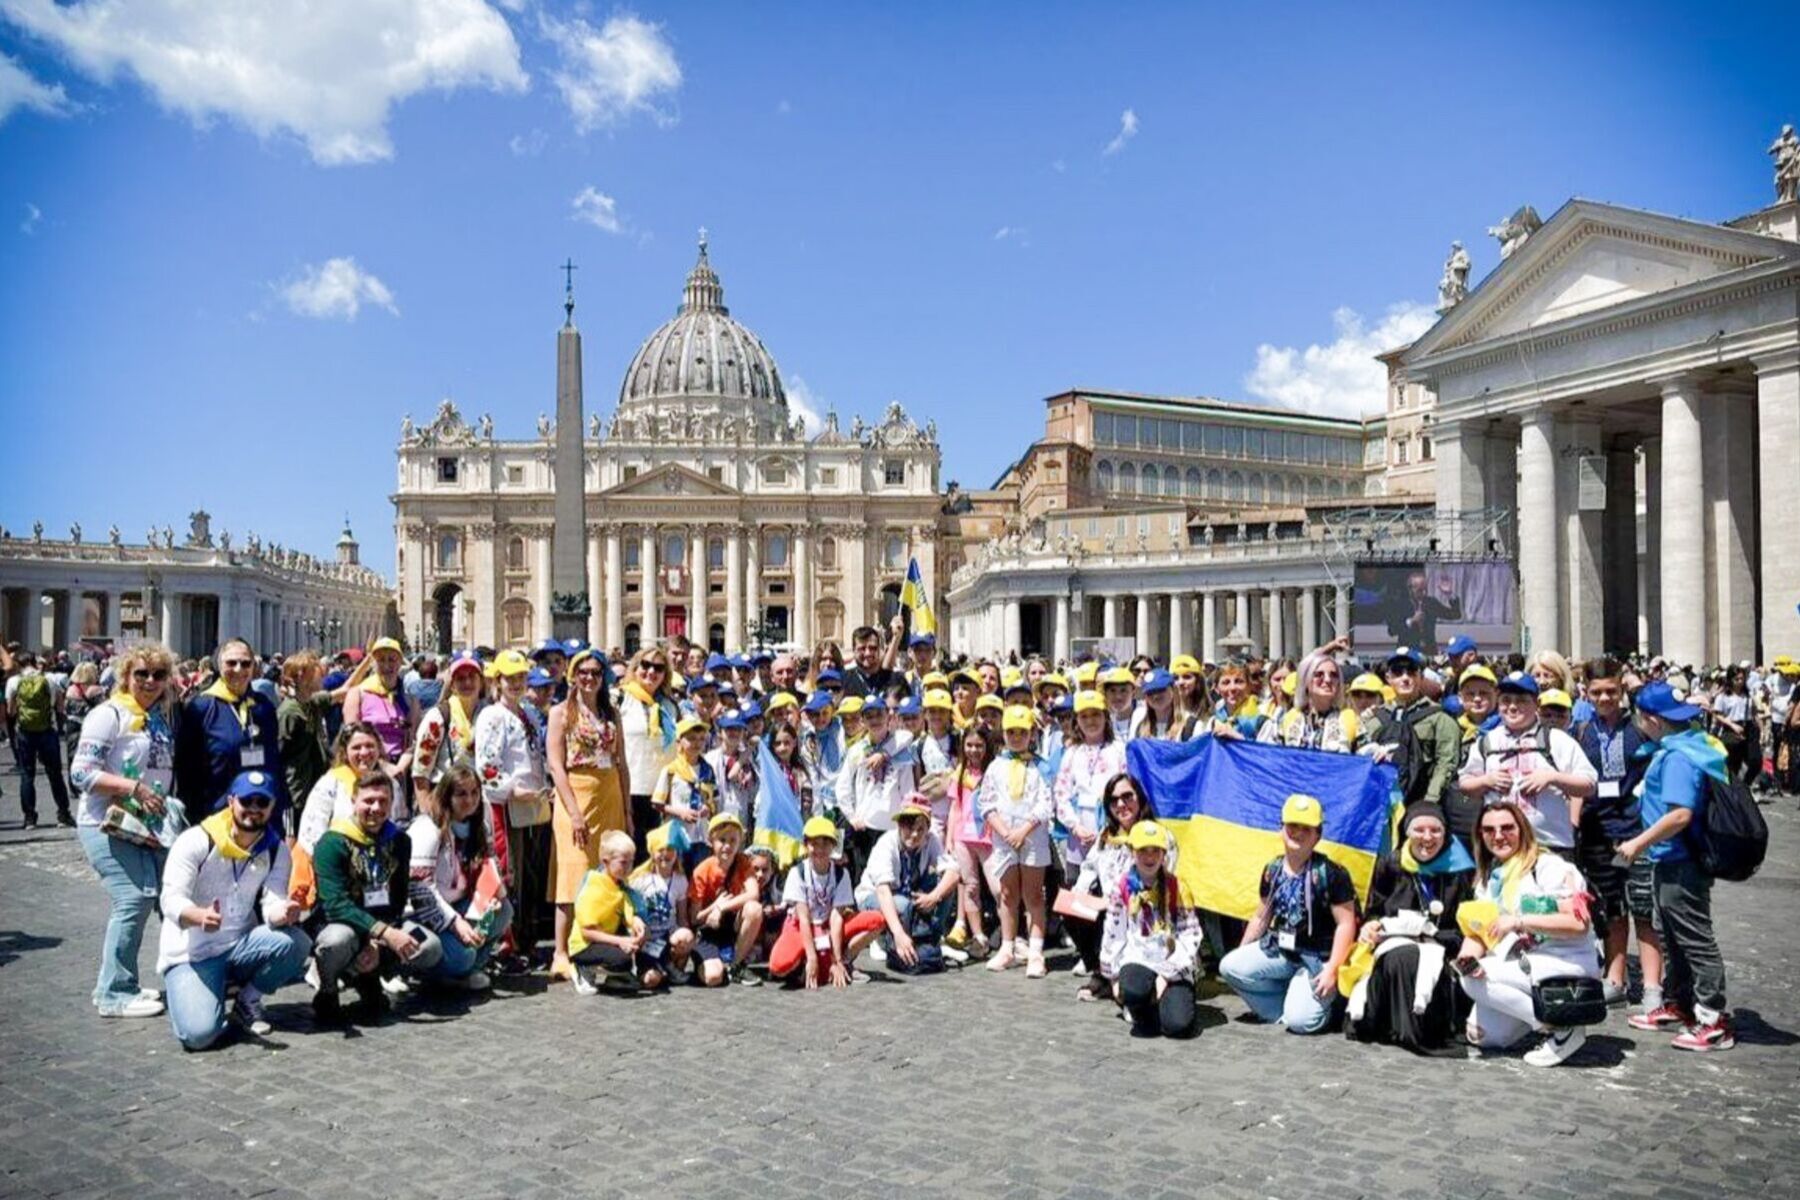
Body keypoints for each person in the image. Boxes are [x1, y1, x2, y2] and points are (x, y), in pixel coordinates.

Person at [1619, 682, 1735, 1051]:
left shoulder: (1678, 758)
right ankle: (1681, 1004)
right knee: (1671, 935)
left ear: (1650, 719)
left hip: (1680, 858)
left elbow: (1680, 814)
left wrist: (1638, 843)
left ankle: (1713, 1018)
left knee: (1694, 939)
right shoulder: (1686, 745)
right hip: (1670, 856)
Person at [69, 641, 181, 1018]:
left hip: (147, 826)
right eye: (141, 674)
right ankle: (113, 993)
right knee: (132, 899)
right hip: (106, 823)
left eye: (158, 674)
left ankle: (123, 980)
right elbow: (80, 773)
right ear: (125, 676)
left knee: (159, 897)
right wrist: (132, 787)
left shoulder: (157, 717)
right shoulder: (108, 715)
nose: (150, 681)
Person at [158, 769, 311, 1048]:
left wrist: (284, 911)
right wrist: (198, 915)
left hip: (240, 943)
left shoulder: (276, 849)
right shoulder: (196, 840)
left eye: (262, 803)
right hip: (193, 952)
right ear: (231, 802)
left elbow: (272, 903)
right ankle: (198, 989)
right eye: (246, 801)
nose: (253, 809)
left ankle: (246, 1000)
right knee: (199, 1036)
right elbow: (169, 899)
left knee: (298, 942)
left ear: (272, 807)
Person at [1456, 798, 1602, 1066]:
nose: (1498, 836)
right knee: (1482, 1036)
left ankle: (1558, 1027)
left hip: (1564, 960)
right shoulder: (1489, 878)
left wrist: (1520, 921)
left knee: (1474, 982)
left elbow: (1578, 925)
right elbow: (1478, 932)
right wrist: (1466, 960)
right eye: (1489, 830)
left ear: (1522, 829)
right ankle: (1547, 1014)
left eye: (1507, 827)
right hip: (1521, 964)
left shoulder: (1548, 867)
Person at [1219, 794, 1357, 1035]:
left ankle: (1324, 1003)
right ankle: (1288, 1003)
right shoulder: (1272, 869)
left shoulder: (1333, 874)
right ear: (1281, 829)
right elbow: (1262, 915)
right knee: (1230, 966)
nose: (1298, 833)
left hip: (1317, 956)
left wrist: (1332, 970)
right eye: (1292, 826)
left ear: (1318, 835)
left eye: (1307, 828)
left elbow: (1346, 925)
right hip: (1280, 950)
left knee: (1302, 1024)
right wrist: (1243, 949)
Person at [310, 769, 440, 1022]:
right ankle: (328, 987)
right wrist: (382, 933)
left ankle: (371, 974)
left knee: (429, 946)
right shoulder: (331, 843)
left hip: (383, 926)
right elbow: (335, 905)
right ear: (354, 802)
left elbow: (399, 898)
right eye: (368, 801)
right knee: (334, 942)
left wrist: (380, 944)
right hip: (342, 924)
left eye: (383, 801)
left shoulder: (400, 841)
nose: (375, 808)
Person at [1345, 802, 1476, 1053]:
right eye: (1419, 830)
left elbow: (1466, 922)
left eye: (1435, 831)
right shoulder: (1391, 864)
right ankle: (1397, 1028)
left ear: (1445, 833)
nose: (1427, 838)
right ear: (1407, 832)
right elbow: (1375, 909)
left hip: (1442, 942)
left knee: (1425, 962)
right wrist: (1370, 925)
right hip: (1395, 939)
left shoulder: (1460, 870)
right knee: (1402, 957)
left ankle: (1421, 1030)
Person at [1569, 658, 1660, 1010]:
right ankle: (1615, 978)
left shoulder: (1639, 726)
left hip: (1637, 832)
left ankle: (1652, 986)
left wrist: (1637, 687)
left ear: (1621, 689)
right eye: (1597, 692)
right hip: (1597, 833)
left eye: (1611, 690)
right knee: (1611, 911)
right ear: (1586, 693)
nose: (1604, 698)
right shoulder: (1580, 731)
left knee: (1644, 911)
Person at [546, 649, 629, 981]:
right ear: (573, 675)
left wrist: (626, 809)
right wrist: (574, 813)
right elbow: (555, 764)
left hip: (609, 794)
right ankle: (560, 951)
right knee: (572, 872)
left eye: (596, 672)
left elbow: (621, 762)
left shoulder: (613, 713)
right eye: (583, 671)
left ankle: (603, 947)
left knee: (608, 872)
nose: (589, 678)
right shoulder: (560, 713)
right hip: (576, 795)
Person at [474, 649, 553, 973]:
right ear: (498, 681)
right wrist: (511, 789)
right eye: (511, 678)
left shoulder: (529, 714)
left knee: (530, 875)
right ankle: (505, 946)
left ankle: (525, 938)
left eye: (521, 678)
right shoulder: (492, 716)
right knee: (509, 872)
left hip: (532, 803)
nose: (517, 683)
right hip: (505, 805)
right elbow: (486, 766)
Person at [1458, 672, 1596, 854]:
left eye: (1521, 700)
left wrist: (1552, 777)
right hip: (1501, 847)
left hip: (1550, 846)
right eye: (1506, 700)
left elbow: (1589, 785)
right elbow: (1465, 783)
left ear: (1536, 705)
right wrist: (1486, 781)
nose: (1513, 707)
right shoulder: (1486, 742)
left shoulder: (1557, 740)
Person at [407, 765, 512, 990]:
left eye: (474, 792)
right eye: (461, 794)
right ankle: (428, 971)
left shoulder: (479, 826)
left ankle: (470, 970)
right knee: (461, 956)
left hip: (459, 903)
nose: (470, 800)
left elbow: (489, 866)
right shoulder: (428, 829)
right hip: (423, 914)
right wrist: (455, 924)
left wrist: (490, 895)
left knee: (503, 910)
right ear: (447, 795)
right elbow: (420, 891)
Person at [1100, 820, 1202, 1038]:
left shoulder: (1178, 887)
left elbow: (1191, 935)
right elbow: (1113, 932)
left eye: (1155, 851)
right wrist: (1113, 977)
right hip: (1138, 957)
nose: (1149, 857)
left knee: (1178, 1026)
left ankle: (1169, 1002)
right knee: (1133, 990)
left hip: (1173, 961)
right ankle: (1141, 1003)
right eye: (1142, 851)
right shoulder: (1123, 886)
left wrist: (1166, 975)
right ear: (1132, 852)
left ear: (1163, 853)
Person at [1364, 648, 1467, 844]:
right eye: (1398, 672)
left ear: (1420, 676)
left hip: (1422, 805)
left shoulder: (1439, 718)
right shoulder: (1375, 718)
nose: (1405, 678)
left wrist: (1429, 803)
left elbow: (1446, 762)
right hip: (1381, 807)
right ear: (1388, 678)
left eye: (1411, 671)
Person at [770, 816, 887, 988]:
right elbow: (803, 919)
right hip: (802, 925)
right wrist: (811, 957)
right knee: (779, 966)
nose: (819, 849)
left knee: (877, 920)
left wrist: (837, 959)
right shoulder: (798, 873)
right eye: (814, 844)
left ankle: (845, 962)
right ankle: (807, 960)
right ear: (805, 845)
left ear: (833, 845)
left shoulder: (841, 874)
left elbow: (836, 917)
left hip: (828, 924)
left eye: (825, 844)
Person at [175, 639, 285, 818]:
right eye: (231, 663)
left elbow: (275, 763)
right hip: (216, 815)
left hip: (261, 814)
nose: (238, 669)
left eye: (245, 663)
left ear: (254, 667)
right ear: (219, 666)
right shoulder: (200, 708)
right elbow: (186, 771)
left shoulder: (263, 706)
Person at [980, 705, 1052, 977]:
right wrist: (1004, 831)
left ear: (1032, 733)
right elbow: (986, 802)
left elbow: (1046, 804)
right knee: (1008, 894)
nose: (1017, 737)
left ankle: (1035, 951)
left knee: (1033, 895)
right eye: (1011, 732)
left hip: (1032, 837)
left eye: (1022, 732)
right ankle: (1007, 948)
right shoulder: (996, 766)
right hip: (1004, 838)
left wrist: (1024, 830)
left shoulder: (1040, 767)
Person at [855, 798, 963, 973]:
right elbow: (883, 891)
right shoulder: (886, 844)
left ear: (927, 829)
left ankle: (932, 941)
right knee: (903, 905)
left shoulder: (931, 840)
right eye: (909, 827)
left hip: (906, 892)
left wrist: (934, 896)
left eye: (920, 829)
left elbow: (953, 872)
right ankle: (885, 940)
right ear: (899, 825)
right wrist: (898, 934)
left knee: (946, 889)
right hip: (874, 896)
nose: (914, 834)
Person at [296, 723, 403, 858]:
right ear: (345, 752)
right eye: (356, 747)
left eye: (370, 746)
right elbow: (311, 833)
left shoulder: (391, 784)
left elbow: (400, 824)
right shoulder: (330, 783)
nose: (364, 752)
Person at [839, 698, 916, 882]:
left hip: (891, 827)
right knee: (862, 878)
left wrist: (906, 821)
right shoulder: (857, 750)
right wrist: (852, 816)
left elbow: (908, 791)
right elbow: (842, 787)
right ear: (862, 721)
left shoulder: (900, 749)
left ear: (889, 716)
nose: (875, 720)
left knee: (890, 878)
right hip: (864, 827)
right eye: (869, 716)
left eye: (879, 714)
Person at [687, 813, 766, 986]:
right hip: (708, 930)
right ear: (711, 842)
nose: (727, 846)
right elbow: (695, 918)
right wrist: (713, 907)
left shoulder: (743, 862)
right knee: (713, 978)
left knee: (754, 909)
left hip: (730, 921)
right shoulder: (702, 871)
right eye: (722, 840)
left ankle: (735, 965)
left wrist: (721, 908)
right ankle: (708, 964)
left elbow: (753, 894)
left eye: (733, 840)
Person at [568, 830, 651, 993]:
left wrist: (637, 922)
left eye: (631, 862)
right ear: (605, 862)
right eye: (623, 863)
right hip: (584, 945)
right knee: (622, 959)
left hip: (606, 939)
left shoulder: (619, 885)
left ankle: (617, 976)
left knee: (631, 948)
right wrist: (619, 941)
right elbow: (587, 932)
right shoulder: (594, 888)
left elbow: (628, 909)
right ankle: (582, 968)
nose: (629, 868)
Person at [620, 647, 677, 856]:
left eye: (659, 668)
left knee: (656, 855)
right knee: (629, 854)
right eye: (645, 665)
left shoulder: (669, 706)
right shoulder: (619, 699)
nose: (651, 672)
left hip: (660, 794)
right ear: (635, 668)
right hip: (629, 790)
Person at [944, 721, 994, 956]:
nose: (974, 750)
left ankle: (1009, 937)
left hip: (989, 837)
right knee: (970, 886)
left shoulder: (993, 770)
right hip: (964, 837)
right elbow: (955, 807)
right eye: (970, 745)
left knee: (998, 888)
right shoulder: (960, 771)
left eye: (979, 745)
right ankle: (979, 936)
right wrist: (949, 838)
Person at [625, 824, 695, 987]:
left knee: (685, 935)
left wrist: (688, 940)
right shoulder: (639, 880)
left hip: (667, 936)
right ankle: (652, 969)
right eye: (660, 850)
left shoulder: (680, 880)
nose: (665, 854)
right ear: (652, 853)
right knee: (651, 981)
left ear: (677, 852)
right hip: (646, 940)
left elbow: (682, 917)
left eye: (670, 849)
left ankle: (671, 965)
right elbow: (629, 911)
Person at [8, 652, 73, 827]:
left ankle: (29, 818)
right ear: (34, 662)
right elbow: (59, 706)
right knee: (55, 774)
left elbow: (11, 711)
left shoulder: (13, 682)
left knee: (27, 775)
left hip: (24, 732)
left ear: (18, 664)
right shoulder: (49, 680)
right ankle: (63, 814)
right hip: (46, 730)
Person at [275, 651, 334, 834]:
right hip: (295, 794)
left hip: (312, 788)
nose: (322, 674)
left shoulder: (310, 703)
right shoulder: (290, 713)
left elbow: (346, 689)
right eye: (315, 671)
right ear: (302, 676)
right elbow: (279, 755)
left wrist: (368, 659)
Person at [411, 652, 485, 794]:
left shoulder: (489, 714)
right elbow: (421, 771)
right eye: (461, 678)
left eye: (472, 677)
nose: (467, 683)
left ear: (481, 682)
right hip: (445, 798)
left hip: (480, 801)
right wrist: (427, 808)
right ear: (452, 684)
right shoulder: (438, 717)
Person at [652, 716, 719, 872]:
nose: (697, 743)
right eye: (691, 739)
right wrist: (680, 812)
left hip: (701, 834)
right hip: (678, 833)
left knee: (699, 874)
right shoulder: (671, 771)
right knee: (679, 873)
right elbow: (657, 802)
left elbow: (713, 798)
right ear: (679, 742)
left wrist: (707, 808)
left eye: (701, 739)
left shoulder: (707, 770)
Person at [341, 637, 416, 772]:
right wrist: (382, 764)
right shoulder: (357, 694)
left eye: (392, 659)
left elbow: (413, 740)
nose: (387, 665)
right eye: (381, 660)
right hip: (367, 766)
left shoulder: (410, 700)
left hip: (401, 769)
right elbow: (352, 738)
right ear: (373, 664)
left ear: (400, 663)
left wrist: (399, 768)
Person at [1266, 651, 1360, 752]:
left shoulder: (1350, 719)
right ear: (1305, 680)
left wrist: (1378, 752)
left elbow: (1367, 752)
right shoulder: (1289, 718)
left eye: (1334, 675)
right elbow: (1273, 756)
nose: (1328, 680)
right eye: (1319, 674)